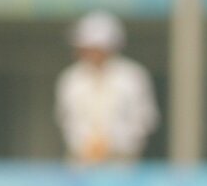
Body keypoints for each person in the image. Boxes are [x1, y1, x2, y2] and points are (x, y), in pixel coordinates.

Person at [54, 11, 160, 164]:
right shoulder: (71, 78)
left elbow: (145, 119)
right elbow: (66, 119)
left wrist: (115, 143)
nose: (88, 52)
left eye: (94, 47)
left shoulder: (133, 76)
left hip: (122, 162)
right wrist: (86, 144)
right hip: (81, 161)